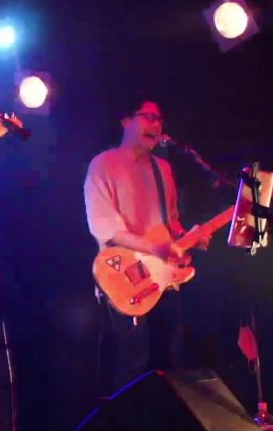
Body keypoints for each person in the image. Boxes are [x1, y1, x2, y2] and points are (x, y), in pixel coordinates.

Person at [83, 100, 212, 392]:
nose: (156, 124)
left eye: (159, 120)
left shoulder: (162, 169)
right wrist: (152, 249)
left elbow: (170, 222)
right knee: (133, 360)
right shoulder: (104, 164)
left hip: (165, 277)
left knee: (173, 359)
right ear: (125, 121)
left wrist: (190, 236)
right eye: (148, 117)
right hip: (125, 278)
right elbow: (105, 228)